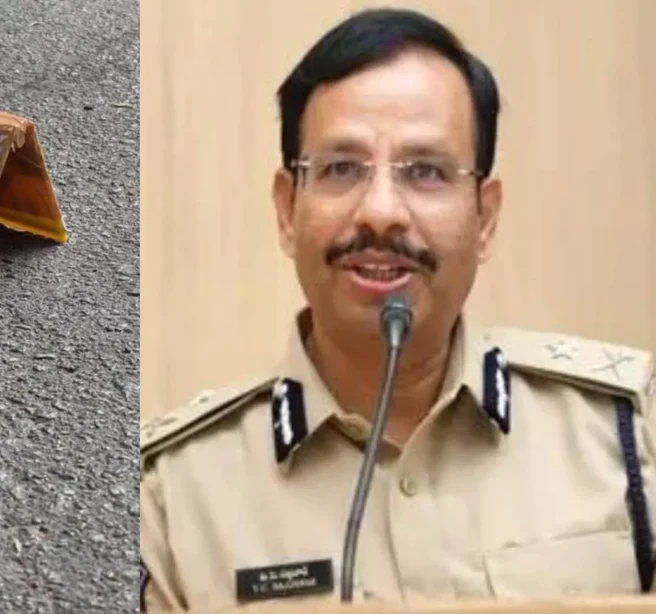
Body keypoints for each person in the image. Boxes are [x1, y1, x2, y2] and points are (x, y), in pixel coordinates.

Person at [139, 7, 656, 612]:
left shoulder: (629, 428)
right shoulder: (169, 496)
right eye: (340, 169)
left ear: (484, 217)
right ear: (287, 209)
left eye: (426, 172)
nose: (380, 211)